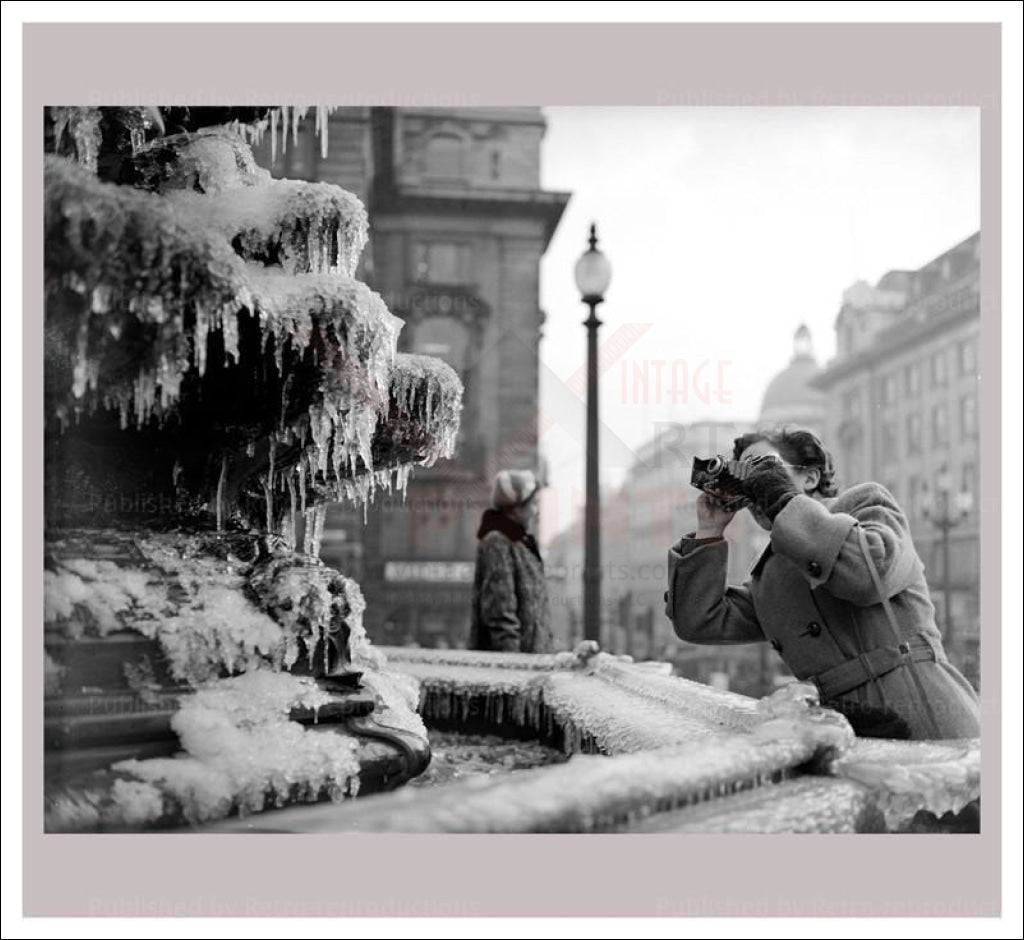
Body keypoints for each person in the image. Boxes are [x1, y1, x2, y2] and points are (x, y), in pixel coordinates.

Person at [665, 426, 980, 740]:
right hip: (850, 732)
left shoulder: (866, 504)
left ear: (811, 478)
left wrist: (781, 498)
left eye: (765, 468)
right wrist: (709, 530)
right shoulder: (770, 577)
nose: (757, 488)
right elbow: (700, 621)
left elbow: (869, 577)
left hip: (924, 714)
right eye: (749, 479)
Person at [469, 469, 553, 653]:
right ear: (516, 508)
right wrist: (512, 665)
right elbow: (500, 614)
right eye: (534, 504)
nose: (536, 512)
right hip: (515, 670)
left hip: (530, 665)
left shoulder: (521, 545)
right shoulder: (498, 543)